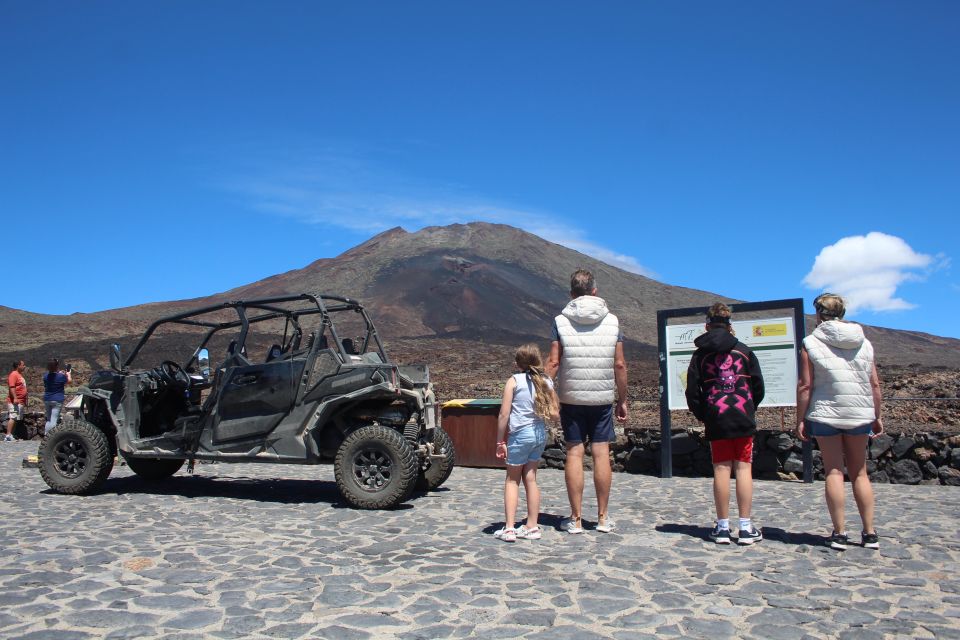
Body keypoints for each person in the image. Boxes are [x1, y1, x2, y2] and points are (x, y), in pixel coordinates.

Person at [796, 293, 882, 550]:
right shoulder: (864, 342)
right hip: (859, 414)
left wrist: (800, 419)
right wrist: (876, 416)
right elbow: (874, 383)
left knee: (833, 470)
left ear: (818, 314)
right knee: (859, 472)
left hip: (826, 413)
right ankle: (869, 533)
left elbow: (805, 385)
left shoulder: (810, 342)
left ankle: (840, 532)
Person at [546, 269, 628, 534]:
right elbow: (619, 364)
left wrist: (545, 394)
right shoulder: (613, 321)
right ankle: (603, 518)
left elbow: (554, 362)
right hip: (602, 397)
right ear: (595, 291)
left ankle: (576, 519)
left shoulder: (560, 320)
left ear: (571, 294)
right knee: (602, 452)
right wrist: (622, 399)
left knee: (574, 452)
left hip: (571, 397)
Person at [685, 303, 765, 545]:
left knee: (720, 469)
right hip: (742, 416)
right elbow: (758, 386)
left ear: (707, 326)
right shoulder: (744, 351)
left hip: (716, 417)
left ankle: (722, 528)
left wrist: (703, 414)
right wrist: (750, 408)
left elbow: (692, 391)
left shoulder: (700, 354)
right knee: (743, 468)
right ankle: (745, 527)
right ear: (730, 326)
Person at [493, 344, 560, 542]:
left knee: (512, 480)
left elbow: (504, 414)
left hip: (520, 435)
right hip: (539, 434)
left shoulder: (513, 381)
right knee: (530, 478)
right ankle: (531, 526)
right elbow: (555, 412)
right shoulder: (546, 381)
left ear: (517, 363)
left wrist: (500, 441)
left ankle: (510, 528)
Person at [42, 358, 72, 435]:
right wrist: (68, 374)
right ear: (57, 366)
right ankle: (51, 437)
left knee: (49, 419)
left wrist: (59, 372)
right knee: (54, 420)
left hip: (47, 399)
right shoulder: (61, 376)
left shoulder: (45, 376)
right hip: (57, 399)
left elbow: (52, 376)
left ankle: (46, 435)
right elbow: (69, 381)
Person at [5, 360, 27, 442]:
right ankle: (8, 435)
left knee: (16, 418)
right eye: (23, 365)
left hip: (20, 401)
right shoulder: (13, 375)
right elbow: (12, 387)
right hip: (14, 401)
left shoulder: (19, 375)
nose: (24, 366)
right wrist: (15, 397)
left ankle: (12, 434)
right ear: (18, 365)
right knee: (13, 417)